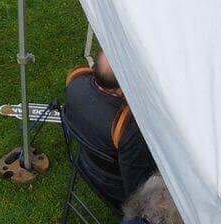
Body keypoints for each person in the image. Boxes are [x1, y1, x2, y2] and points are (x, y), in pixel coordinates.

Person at [63, 51, 156, 211]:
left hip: (85, 163)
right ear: (121, 89)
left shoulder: (75, 82)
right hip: (113, 187)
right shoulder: (126, 126)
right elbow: (135, 185)